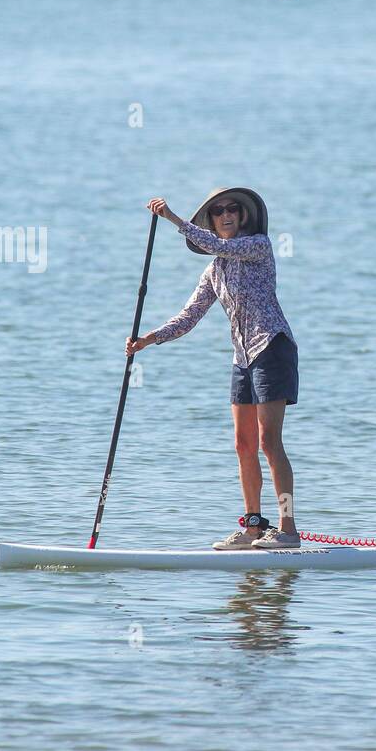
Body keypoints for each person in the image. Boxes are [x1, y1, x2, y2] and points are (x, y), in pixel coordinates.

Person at [126, 188, 301, 549]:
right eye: (218, 211)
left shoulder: (257, 246)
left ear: (242, 216)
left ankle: (288, 529)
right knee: (243, 444)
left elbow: (220, 246)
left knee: (270, 442)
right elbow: (189, 316)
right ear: (211, 220)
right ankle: (252, 527)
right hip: (242, 359)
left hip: (272, 348)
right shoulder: (213, 272)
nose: (226, 214)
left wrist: (173, 219)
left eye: (232, 209)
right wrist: (149, 339)